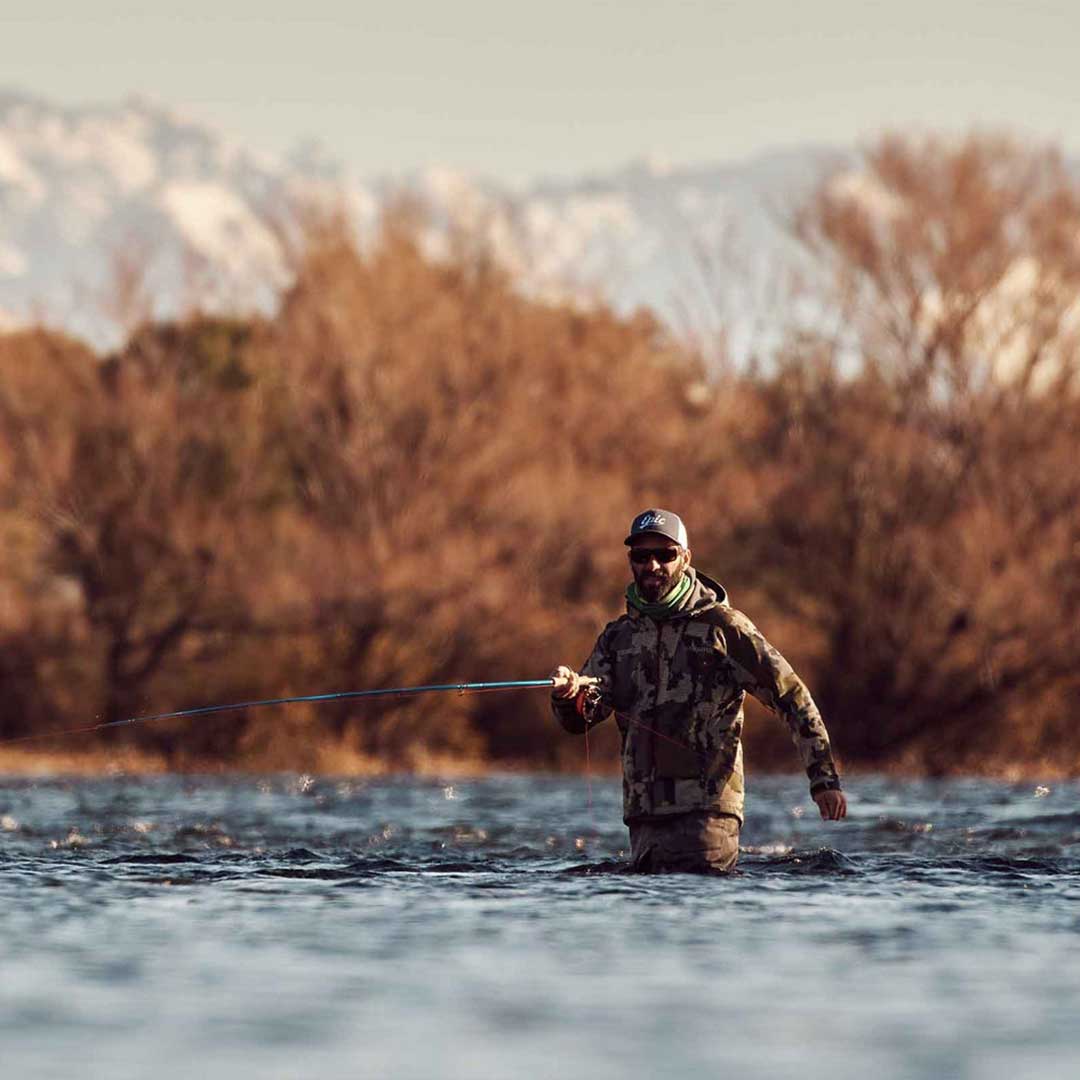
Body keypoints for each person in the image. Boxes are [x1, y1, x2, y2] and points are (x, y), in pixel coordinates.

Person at [551, 508, 846, 873]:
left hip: (708, 816)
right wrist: (567, 696)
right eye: (642, 556)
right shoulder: (618, 637)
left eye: (665, 555)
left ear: (686, 558)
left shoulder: (723, 627)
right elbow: (582, 717)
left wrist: (823, 781)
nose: (653, 565)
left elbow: (793, 698)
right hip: (643, 817)